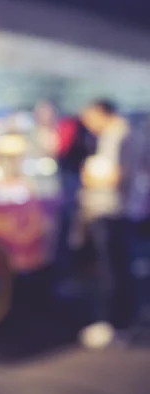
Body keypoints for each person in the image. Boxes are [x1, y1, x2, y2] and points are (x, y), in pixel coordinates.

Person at [79, 99, 134, 347]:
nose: (90, 125)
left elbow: (113, 176)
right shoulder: (126, 132)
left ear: (101, 112)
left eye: (90, 118)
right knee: (120, 267)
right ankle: (122, 323)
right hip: (122, 210)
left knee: (111, 269)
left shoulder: (116, 135)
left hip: (110, 209)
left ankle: (114, 325)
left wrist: (89, 176)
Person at [53, 108, 97, 294]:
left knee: (69, 226)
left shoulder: (71, 127)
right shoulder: (82, 130)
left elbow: (60, 151)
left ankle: (68, 268)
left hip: (70, 182)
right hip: (74, 181)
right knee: (72, 226)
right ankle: (72, 266)